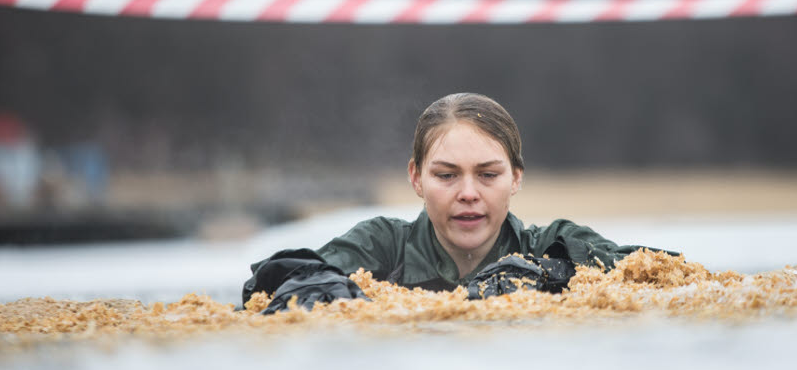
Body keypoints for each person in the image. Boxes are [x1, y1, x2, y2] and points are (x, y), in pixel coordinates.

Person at [243, 93, 677, 313]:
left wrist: (550, 277)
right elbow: (269, 288)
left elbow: (676, 279)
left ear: (515, 179)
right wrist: (349, 299)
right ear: (416, 177)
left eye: (488, 175)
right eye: (446, 175)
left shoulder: (557, 244)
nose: (468, 192)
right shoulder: (380, 247)